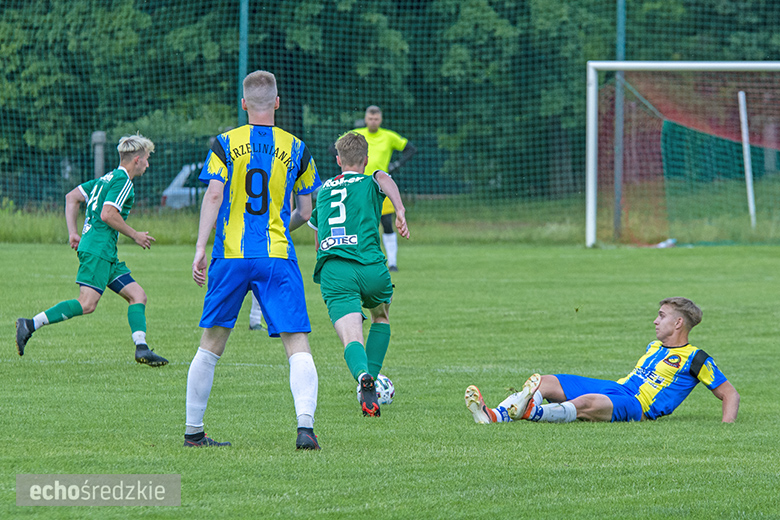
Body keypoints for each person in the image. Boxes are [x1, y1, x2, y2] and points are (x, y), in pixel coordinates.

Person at [186, 70, 321, 450]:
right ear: (277, 102)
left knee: (211, 343)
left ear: (243, 103)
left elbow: (214, 196)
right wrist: (278, 226)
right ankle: (305, 429)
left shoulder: (224, 143)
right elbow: (305, 211)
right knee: (296, 342)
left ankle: (193, 432)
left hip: (230, 254)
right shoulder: (297, 148)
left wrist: (200, 246)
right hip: (276, 254)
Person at [15, 134, 168, 367]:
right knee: (87, 304)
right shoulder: (123, 181)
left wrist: (73, 232)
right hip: (99, 250)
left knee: (138, 295)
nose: (148, 164)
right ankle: (30, 324)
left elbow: (72, 197)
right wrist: (135, 234)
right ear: (137, 159)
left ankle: (142, 348)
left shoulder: (105, 179)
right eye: (147, 158)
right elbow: (108, 214)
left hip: (105, 252)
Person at [465, 297, 740, 424]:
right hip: (618, 388)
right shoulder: (654, 346)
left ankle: (532, 412)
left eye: (661, 316)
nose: (655, 321)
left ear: (678, 323)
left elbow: (730, 394)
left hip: (638, 406)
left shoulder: (696, 358)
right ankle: (493, 416)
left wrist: (726, 428)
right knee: (545, 381)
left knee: (587, 403)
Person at [308, 132, 409, 417]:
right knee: (381, 316)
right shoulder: (370, 181)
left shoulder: (324, 190)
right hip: (371, 266)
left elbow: (317, 240)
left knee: (352, 337)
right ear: (365, 160)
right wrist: (399, 210)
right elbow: (384, 178)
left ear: (338, 160)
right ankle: (371, 382)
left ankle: (363, 375)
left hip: (336, 269)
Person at [351, 106, 416, 272]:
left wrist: (396, 165)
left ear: (380, 120)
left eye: (376, 119)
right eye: (370, 118)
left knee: (387, 223)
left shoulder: (388, 136)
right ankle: (360, 259)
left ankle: (392, 263)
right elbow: (335, 147)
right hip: (359, 186)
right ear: (365, 119)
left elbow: (410, 149)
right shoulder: (357, 135)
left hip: (382, 187)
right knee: (359, 223)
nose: (373, 121)